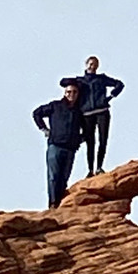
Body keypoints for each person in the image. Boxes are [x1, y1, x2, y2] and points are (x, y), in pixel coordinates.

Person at [32, 78, 88, 208]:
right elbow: (37, 113)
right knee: (53, 176)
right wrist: (44, 129)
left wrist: (79, 139)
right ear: (65, 93)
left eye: (74, 92)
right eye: (69, 92)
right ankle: (52, 204)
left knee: (64, 178)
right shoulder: (55, 106)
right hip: (55, 146)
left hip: (70, 149)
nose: (71, 95)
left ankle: (60, 204)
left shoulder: (79, 112)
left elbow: (87, 129)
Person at [78, 56, 124, 176]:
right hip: (87, 114)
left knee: (103, 139)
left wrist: (110, 97)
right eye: (91, 64)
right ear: (86, 64)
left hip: (102, 111)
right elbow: (64, 84)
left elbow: (119, 84)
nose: (92, 66)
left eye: (95, 64)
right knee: (90, 142)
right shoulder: (79, 81)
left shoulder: (101, 78)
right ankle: (90, 170)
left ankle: (99, 167)